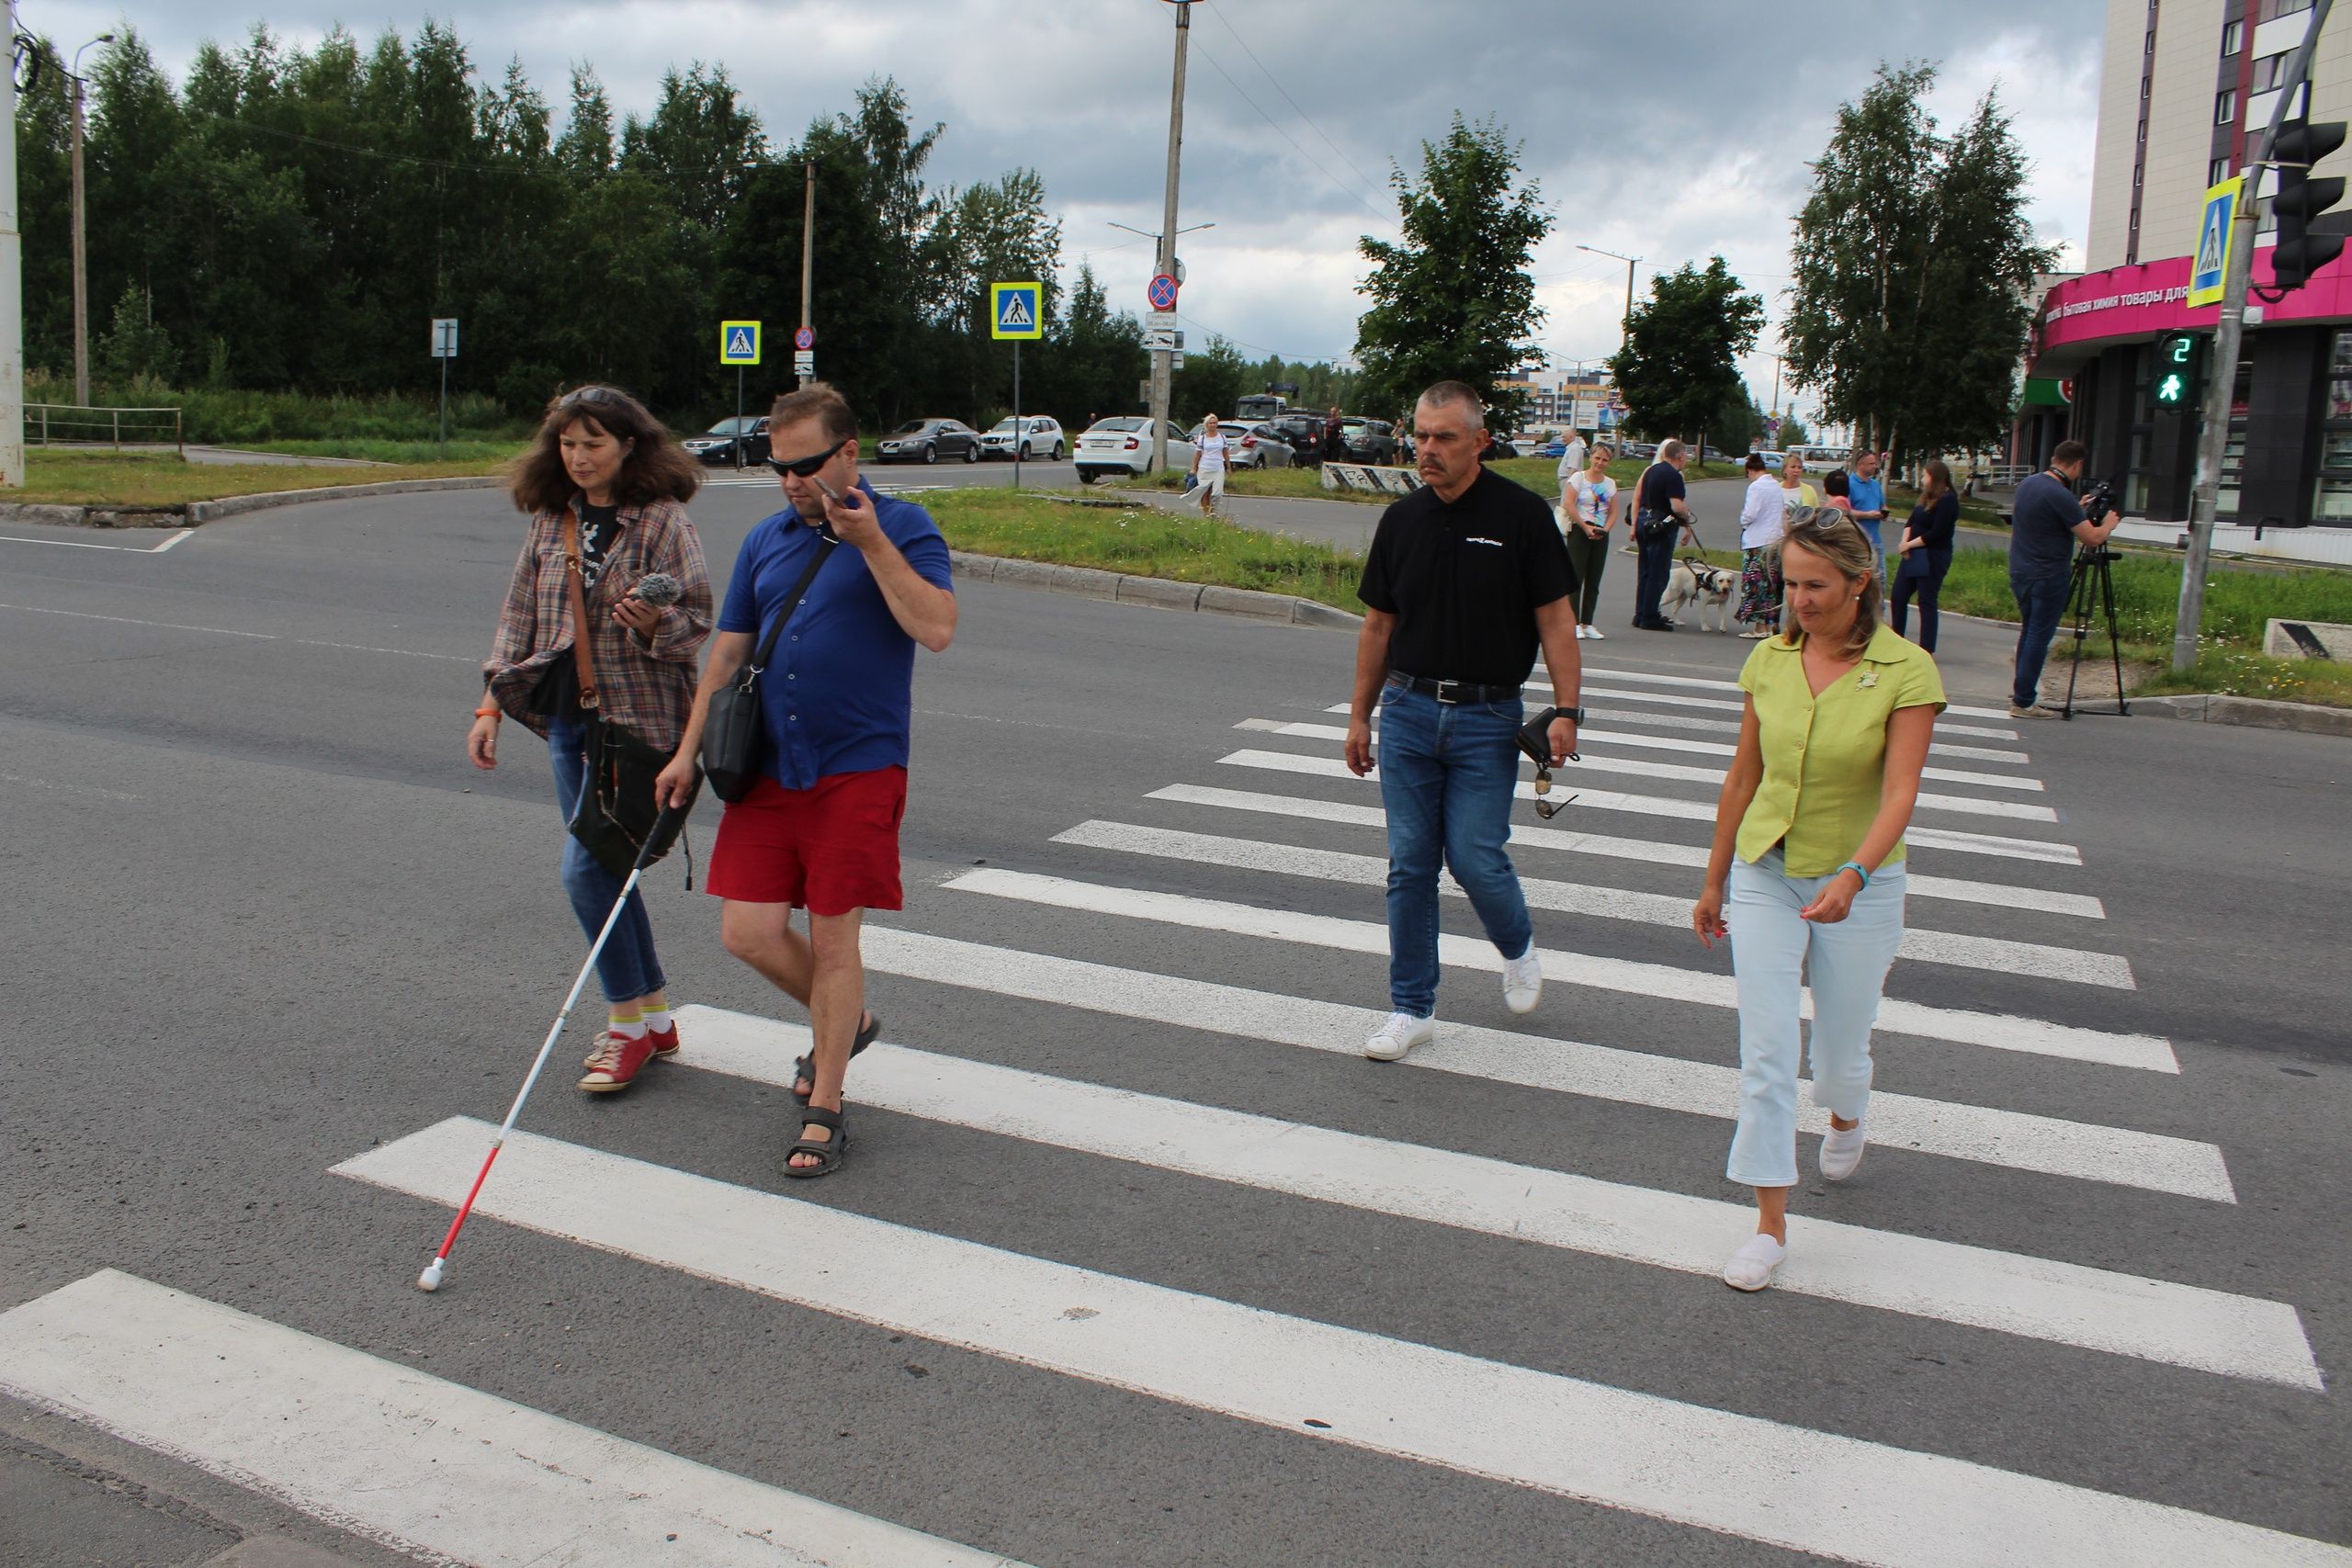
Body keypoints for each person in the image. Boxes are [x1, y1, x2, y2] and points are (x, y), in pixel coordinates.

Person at [654, 382, 956, 1177]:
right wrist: (687, 752)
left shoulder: (906, 528)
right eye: (777, 467)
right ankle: (844, 1023)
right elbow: (725, 654)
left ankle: (826, 1103)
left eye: (805, 466)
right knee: (746, 931)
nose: (791, 482)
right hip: (765, 765)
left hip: (856, 766)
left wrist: (871, 544)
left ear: (849, 454)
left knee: (833, 938)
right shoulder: (766, 539)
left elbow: (936, 628)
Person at [1690, 510, 1946, 1292]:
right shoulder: (1769, 659)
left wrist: (1855, 874)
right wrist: (1713, 876)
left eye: (1815, 585)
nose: (1797, 600)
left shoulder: (1906, 670)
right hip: (1767, 871)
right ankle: (1770, 1225)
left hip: (1858, 883)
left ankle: (1845, 1110)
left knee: (1840, 1057)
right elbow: (1743, 777)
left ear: (1859, 582)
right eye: (1790, 583)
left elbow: (1900, 792)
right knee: (1767, 1053)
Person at [472, 386, 713, 1094]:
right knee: (604, 868)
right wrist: (489, 704)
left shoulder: (663, 522)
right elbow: (519, 617)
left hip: (640, 723)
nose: (578, 457)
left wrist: (648, 623)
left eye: (594, 443)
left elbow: (701, 619)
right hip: (569, 722)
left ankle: (625, 1026)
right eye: (568, 444)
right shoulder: (554, 521)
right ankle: (654, 1013)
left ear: (630, 446)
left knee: (586, 872)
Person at [1344, 380, 1583, 1062]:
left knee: (1475, 855)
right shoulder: (1402, 521)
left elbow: (1556, 620)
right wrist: (1360, 716)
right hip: (1410, 713)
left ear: (1480, 440)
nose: (1428, 450)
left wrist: (1566, 710)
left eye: (1444, 437)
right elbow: (1377, 625)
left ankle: (1516, 947)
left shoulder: (1522, 516)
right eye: (1420, 435)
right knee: (1410, 866)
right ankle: (1410, 1007)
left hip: (1486, 716)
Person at [2005, 440, 2117, 718]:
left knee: (2029, 630)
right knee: (2039, 636)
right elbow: (2092, 538)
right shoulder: (2060, 495)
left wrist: (2075, 508)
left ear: (2055, 458)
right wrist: (2109, 524)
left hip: (2021, 571)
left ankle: (2023, 692)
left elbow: (2046, 518)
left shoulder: (2029, 485)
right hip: (2047, 574)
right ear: (2077, 463)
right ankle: (2024, 701)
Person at [1890, 458, 1960, 652]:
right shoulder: (1925, 497)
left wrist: (1910, 544)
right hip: (1912, 554)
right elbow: (1911, 521)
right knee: (1898, 595)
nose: (1922, 479)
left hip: (1933, 555)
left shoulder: (1948, 500)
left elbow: (1937, 532)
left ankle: (1926, 648)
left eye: (1924, 475)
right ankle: (1896, 639)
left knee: (1926, 600)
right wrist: (1905, 544)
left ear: (1935, 477)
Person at [1631, 438, 1701, 629]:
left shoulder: (1652, 471)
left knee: (1645, 571)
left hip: (1645, 522)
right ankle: (1650, 616)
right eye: (1685, 455)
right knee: (1658, 574)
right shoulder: (1674, 476)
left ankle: (1640, 613)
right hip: (1662, 527)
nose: (1686, 458)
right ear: (1679, 456)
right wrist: (1686, 514)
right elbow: (1676, 506)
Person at [1561, 443, 1618, 640]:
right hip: (1580, 530)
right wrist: (1586, 528)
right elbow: (1568, 504)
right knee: (1576, 577)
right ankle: (1573, 622)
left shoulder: (1610, 483)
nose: (1600, 463)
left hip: (1601, 533)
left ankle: (1588, 622)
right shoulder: (1579, 478)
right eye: (1597, 458)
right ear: (1591, 457)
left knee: (1594, 578)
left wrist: (1605, 530)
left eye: (1605, 460)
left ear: (1609, 462)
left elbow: (1613, 512)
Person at [1735, 452, 1789, 639]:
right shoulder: (1775, 485)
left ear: (1750, 471)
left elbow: (1750, 514)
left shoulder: (1756, 487)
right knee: (1769, 585)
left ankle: (1758, 627)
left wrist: (1742, 521)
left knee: (1755, 584)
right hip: (1775, 541)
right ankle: (1767, 625)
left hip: (1757, 541)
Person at [1847, 450, 1890, 582]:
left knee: (1880, 577)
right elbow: (1846, 511)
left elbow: (1883, 504)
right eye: (1871, 463)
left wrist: (1883, 512)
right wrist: (1867, 515)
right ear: (1860, 465)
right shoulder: (1849, 484)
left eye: (1875, 463)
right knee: (1858, 578)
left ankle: (1878, 603)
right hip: (1857, 540)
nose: (1874, 466)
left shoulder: (1875, 485)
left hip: (1875, 540)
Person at [1189, 412, 1231, 517]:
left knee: (1217, 493)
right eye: (1211, 423)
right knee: (1204, 492)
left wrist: (1228, 467)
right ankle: (1206, 513)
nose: (1213, 425)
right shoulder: (1202, 438)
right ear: (1207, 425)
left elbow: (1225, 453)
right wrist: (1194, 468)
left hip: (1218, 468)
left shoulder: (1222, 437)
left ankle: (1213, 511)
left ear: (1217, 424)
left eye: (1215, 423)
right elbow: (1197, 454)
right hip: (1204, 468)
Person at [1554, 427, 1589, 494]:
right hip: (1566, 479)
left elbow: (1573, 468)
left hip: (1568, 480)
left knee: (1566, 501)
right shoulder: (1572, 448)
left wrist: (1569, 484)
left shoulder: (1574, 449)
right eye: (1562, 437)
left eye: (1564, 437)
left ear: (1571, 437)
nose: (1562, 439)